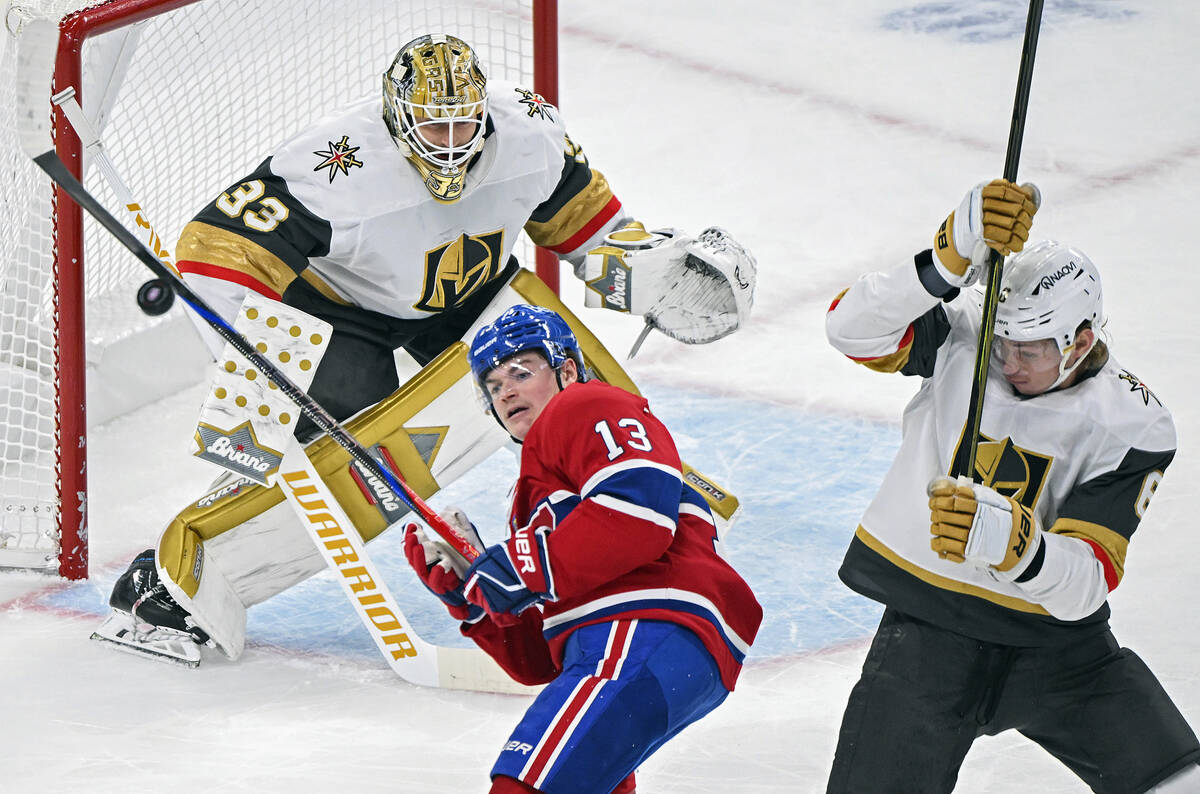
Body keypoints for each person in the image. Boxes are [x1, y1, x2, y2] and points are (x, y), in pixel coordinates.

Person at [95, 34, 755, 664]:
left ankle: (641, 496)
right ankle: (183, 579)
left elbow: (585, 222)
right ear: (395, 120)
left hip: (473, 295)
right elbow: (216, 248)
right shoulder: (335, 163)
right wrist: (256, 355)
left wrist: (645, 272)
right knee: (336, 460)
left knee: (557, 372)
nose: (450, 146)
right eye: (432, 130)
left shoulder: (529, 132)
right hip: (345, 313)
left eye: (462, 127)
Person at [822, 179, 1200, 793]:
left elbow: (1085, 584)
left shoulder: (1132, 423)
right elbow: (849, 329)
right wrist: (946, 258)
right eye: (1002, 342)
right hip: (928, 636)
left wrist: (1013, 544)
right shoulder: (967, 338)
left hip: (1058, 653)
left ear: (1081, 341)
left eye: (1029, 349)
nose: (1009, 362)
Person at [403, 304, 762, 794]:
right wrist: (471, 602)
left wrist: (518, 565)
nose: (505, 390)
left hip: (644, 630)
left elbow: (639, 516)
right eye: (492, 385)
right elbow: (538, 662)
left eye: (520, 372)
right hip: (631, 647)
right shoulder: (541, 494)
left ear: (567, 370)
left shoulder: (587, 405)